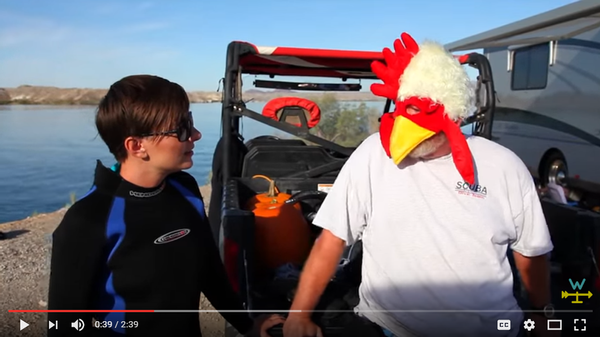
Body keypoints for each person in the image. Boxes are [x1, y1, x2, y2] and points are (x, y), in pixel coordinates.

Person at [282, 34, 555, 337]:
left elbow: (531, 253)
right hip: (388, 328)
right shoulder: (374, 154)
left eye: (422, 119)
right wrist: (299, 315)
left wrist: (542, 314)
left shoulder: (504, 166)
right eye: (404, 112)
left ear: (456, 116)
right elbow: (332, 239)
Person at [47, 75, 284, 337]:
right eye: (182, 128)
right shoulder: (89, 219)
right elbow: (64, 324)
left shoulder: (185, 190)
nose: (196, 134)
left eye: (190, 121)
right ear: (137, 146)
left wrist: (248, 325)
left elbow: (208, 269)